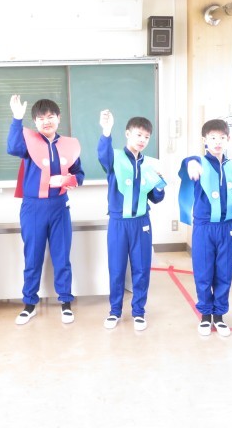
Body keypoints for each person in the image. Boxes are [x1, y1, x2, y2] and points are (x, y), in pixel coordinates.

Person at [178, 119, 232, 337]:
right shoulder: (198, 163)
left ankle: (220, 316)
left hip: (226, 229)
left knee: (224, 273)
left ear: (228, 140)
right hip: (204, 228)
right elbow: (189, 162)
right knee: (204, 273)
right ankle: (206, 315)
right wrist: (191, 163)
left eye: (222, 138)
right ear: (204, 140)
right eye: (212, 137)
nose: (217, 142)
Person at [7, 95, 84, 325]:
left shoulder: (69, 145)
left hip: (59, 206)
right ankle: (29, 304)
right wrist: (16, 119)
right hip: (33, 207)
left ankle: (66, 302)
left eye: (50, 116)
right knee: (32, 257)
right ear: (35, 122)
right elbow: (12, 148)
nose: (46, 121)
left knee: (62, 256)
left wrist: (67, 180)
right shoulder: (29, 142)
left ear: (59, 118)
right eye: (41, 118)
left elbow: (79, 174)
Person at [97, 110, 165, 331]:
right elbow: (102, 155)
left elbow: (156, 198)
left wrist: (160, 183)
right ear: (128, 134)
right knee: (116, 268)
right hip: (118, 223)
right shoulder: (114, 157)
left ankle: (138, 312)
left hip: (141, 223)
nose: (142, 140)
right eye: (138, 135)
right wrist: (106, 130)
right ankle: (114, 311)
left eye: (146, 137)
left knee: (141, 269)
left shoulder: (150, 164)